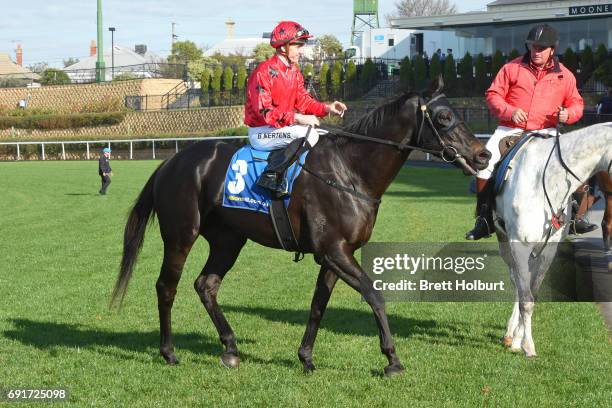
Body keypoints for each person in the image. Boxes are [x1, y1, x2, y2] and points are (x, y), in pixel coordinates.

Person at [465, 23, 593, 240]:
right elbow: (493, 95)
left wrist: (568, 115)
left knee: (577, 165)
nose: (536, 52)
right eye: (533, 47)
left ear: (552, 49)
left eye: (541, 48)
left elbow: (577, 105)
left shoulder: (566, 76)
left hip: (548, 133)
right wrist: (509, 110)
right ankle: (484, 219)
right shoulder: (511, 68)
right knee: (485, 163)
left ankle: (576, 219)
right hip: (511, 130)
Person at [244, 21, 347, 196]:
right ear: (283, 47)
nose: (301, 50)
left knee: (327, 136)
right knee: (309, 134)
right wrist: (298, 118)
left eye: (302, 46)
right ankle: (271, 175)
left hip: (282, 129)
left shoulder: (294, 72)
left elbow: (304, 102)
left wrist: (328, 108)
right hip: (261, 132)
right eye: (297, 46)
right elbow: (265, 112)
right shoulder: (263, 71)